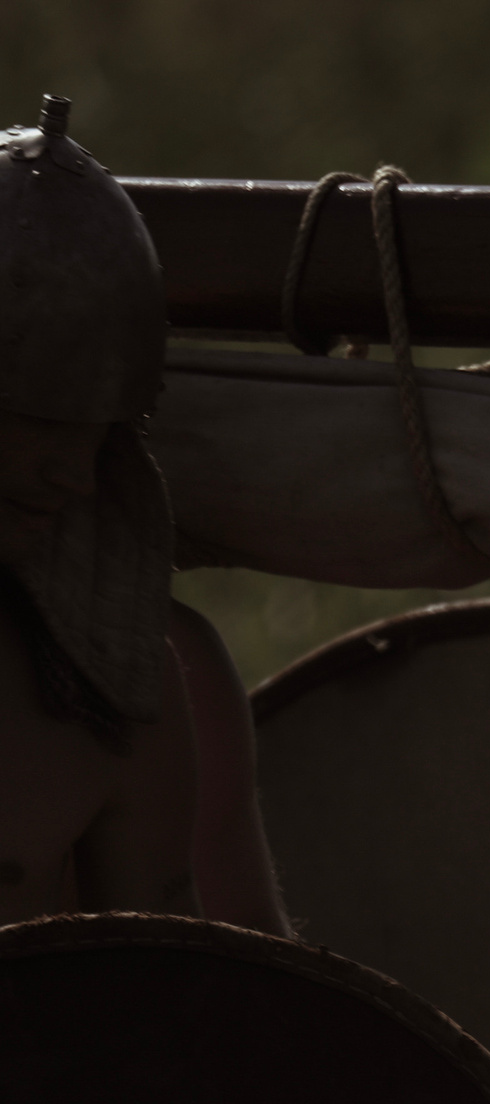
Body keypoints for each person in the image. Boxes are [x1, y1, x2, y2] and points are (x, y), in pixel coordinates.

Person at [0, 96, 288, 935]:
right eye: (46, 423)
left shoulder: (119, 691)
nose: (78, 477)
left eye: (101, 439)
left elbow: (168, 1028)